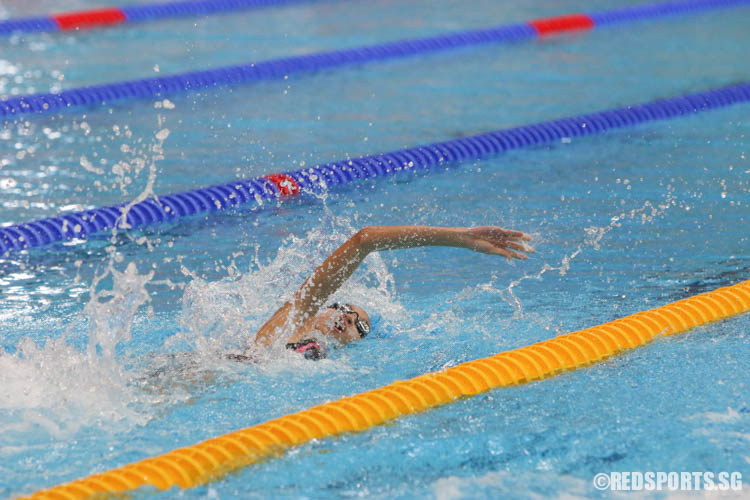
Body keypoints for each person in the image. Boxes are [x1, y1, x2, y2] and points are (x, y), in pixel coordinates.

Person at [251, 225, 533, 360]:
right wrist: (460, 238)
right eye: (344, 309)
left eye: (360, 325)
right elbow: (365, 240)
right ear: (325, 306)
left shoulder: (333, 365)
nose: (348, 318)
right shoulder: (293, 322)